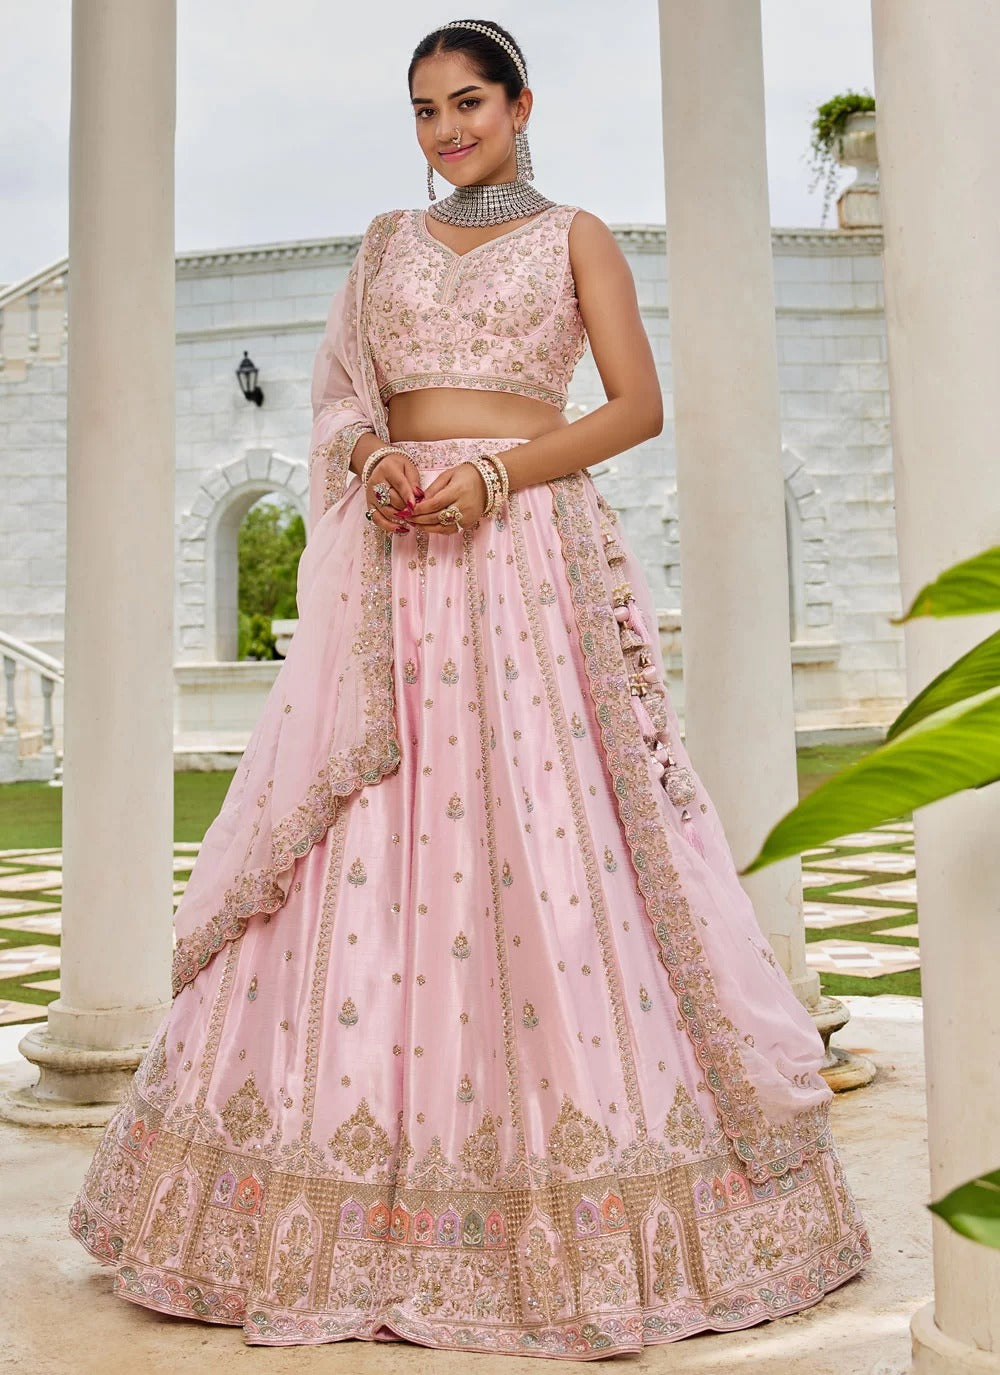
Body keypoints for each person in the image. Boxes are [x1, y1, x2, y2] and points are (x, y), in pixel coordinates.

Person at [69, 18, 870, 1358]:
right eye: (427, 109)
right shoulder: (384, 243)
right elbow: (337, 397)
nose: (447, 130)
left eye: (470, 104)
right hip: (397, 567)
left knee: (549, 845)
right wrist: (372, 459)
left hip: (525, 561)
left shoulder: (577, 241)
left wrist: (502, 474)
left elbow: (635, 406)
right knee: (369, 840)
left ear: (520, 105)